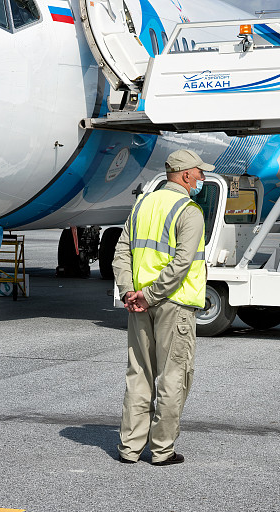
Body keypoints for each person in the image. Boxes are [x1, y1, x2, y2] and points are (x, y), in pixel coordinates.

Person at [112, 149, 211, 466]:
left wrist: (130, 291)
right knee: (172, 377)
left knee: (138, 374)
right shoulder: (189, 211)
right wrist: (151, 295)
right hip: (173, 304)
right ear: (185, 175)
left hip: (140, 304)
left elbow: (121, 253)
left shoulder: (142, 205)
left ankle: (129, 449)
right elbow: (182, 263)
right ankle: (161, 450)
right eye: (199, 172)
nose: (202, 178)